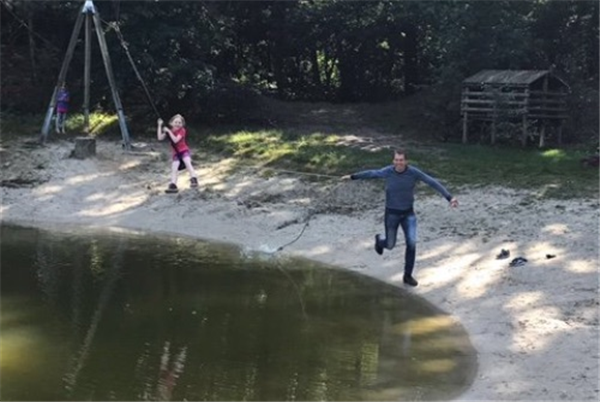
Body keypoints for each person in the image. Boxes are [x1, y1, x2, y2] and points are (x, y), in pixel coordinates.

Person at [342, 148, 458, 287]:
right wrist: (353, 177)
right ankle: (380, 241)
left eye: (401, 160)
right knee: (390, 244)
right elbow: (372, 173)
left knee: (412, 243)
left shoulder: (413, 172)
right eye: (396, 160)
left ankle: (407, 276)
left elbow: (431, 182)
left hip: (408, 214)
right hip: (391, 214)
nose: (399, 163)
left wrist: (449, 197)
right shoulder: (388, 171)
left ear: (406, 161)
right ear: (393, 161)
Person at [157, 114, 199, 193]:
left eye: (179, 123)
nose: (177, 124)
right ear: (171, 123)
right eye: (176, 122)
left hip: (184, 150)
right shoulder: (170, 130)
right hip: (176, 153)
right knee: (174, 168)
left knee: (187, 162)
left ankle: (193, 178)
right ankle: (173, 184)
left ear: (182, 124)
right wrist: (159, 126)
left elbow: (175, 140)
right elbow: (160, 138)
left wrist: (168, 131)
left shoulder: (182, 130)